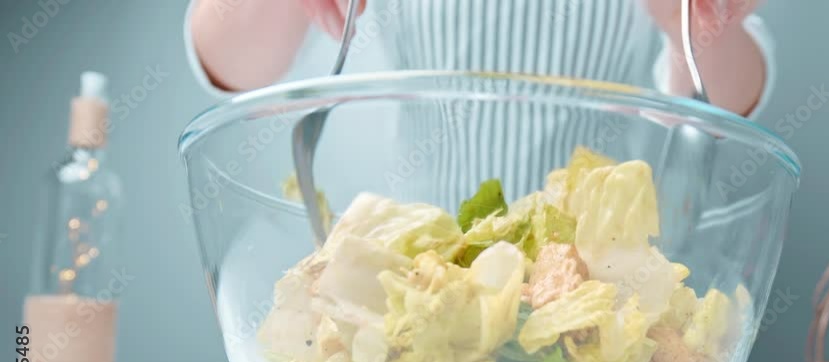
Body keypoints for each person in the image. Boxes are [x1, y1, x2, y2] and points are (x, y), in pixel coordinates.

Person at [186, 0, 775, 208]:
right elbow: (235, 65)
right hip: (420, 291)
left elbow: (722, 104)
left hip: (600, 303)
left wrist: (694, 23)